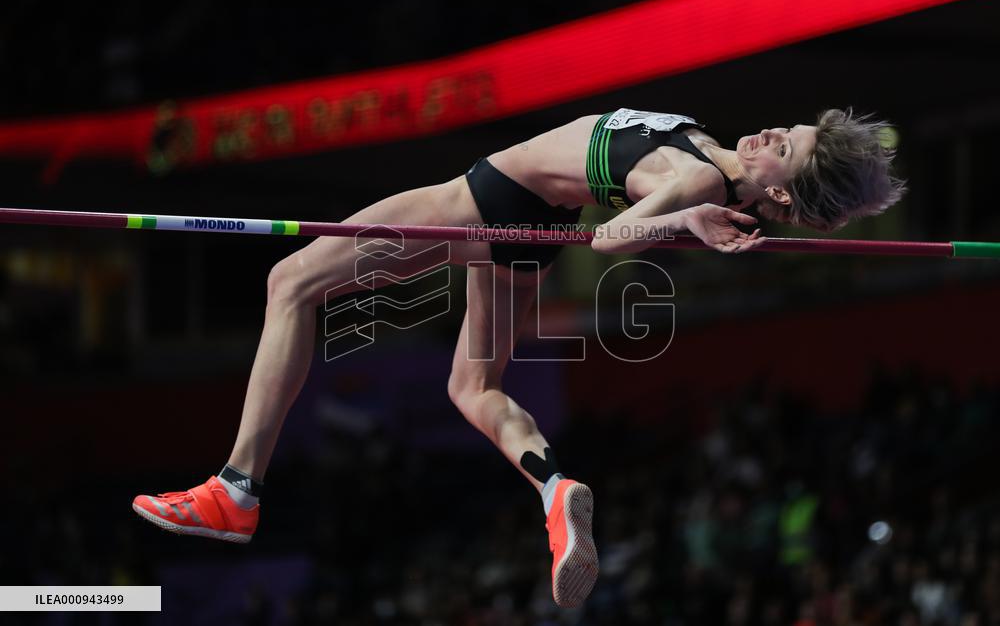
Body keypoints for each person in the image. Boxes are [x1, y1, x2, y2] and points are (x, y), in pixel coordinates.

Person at [131, 107, 904, 607]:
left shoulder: (696, 173)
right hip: (528, 220)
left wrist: (690, 218)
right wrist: (696, 213)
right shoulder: (704, 155)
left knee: (291, 280)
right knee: (473, 387)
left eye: (784, 151)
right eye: (785, 129)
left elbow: (606, 240)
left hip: (489, 200)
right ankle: (554, 486)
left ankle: (237, 487)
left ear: (781, 201)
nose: (769, 134)